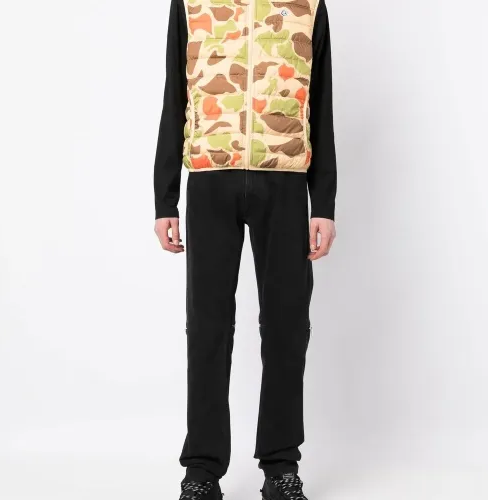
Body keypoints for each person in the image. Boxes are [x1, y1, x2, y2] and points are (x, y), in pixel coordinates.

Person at [153, 0, 337, 498]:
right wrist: (165, 198)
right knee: (207, 328)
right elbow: (175, 94)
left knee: (287, 326)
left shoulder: (307, 5)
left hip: (286, 184)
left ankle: (280, 467)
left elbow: (321, 103)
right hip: (210, 181)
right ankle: (201, 470)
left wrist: (323, 202)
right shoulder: (191, 3)